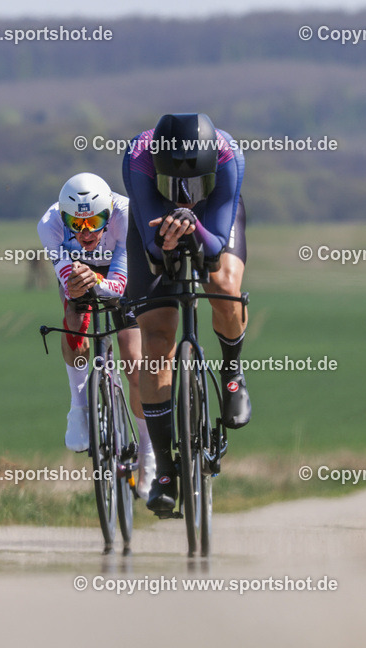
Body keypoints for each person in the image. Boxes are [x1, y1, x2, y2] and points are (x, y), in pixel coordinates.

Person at [122, 113, 251, 514]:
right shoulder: (138, 158)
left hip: (212, 219)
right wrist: (168, 236)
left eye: (195, 184)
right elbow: (153, 251)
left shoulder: (229, 158)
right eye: (175, 186)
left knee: (225, 286)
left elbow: (213, 255)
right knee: (157, 337)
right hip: (153, 220)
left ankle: (231, 372)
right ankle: (164, 469)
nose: (184, 195)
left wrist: (192, 227)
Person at [36, 172, 156, 497]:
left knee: (133, 361)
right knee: (73, 319)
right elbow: (66, 277)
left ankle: (147, 449)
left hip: (120, 273)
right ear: (64, 218)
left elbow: (118, 282)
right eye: (77, 223)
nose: (86, 232)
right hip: (79, 273)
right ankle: (78, 408)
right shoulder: (49, 225)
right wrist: (80, 282)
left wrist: (98, 283)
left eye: (96, 221)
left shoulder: (127, 215)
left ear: (109, 212)